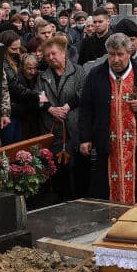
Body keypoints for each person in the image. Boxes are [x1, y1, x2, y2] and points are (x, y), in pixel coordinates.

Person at [78, 32, 137, 202]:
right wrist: (85, 138)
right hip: (107, 147)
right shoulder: (96, 75)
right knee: (106, 192)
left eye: (120, 55)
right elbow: (86, 108)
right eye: (111, 54)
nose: (116, 60)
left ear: (130, 52)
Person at [38, 35, 86, 199]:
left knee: (78, 172)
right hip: (53, 129)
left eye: (54, 53)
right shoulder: (43, 76)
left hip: (74, 128)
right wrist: (50, 109)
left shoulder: (78, 71)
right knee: (58, 174)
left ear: (63, 53)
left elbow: (83, 92)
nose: (50, 58)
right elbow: (38, 96)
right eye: (47, 55)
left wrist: (67, 107)